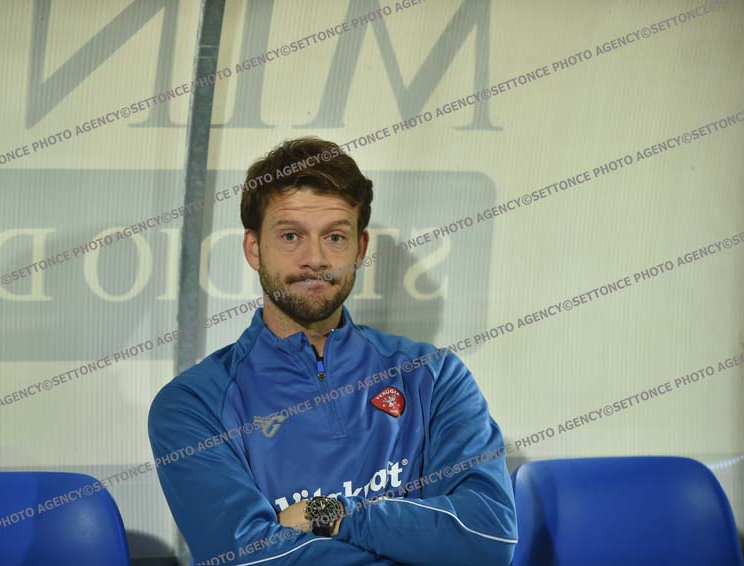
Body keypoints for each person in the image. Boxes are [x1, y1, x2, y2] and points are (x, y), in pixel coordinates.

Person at [148, 137, 517, 565]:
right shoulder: (192, 405)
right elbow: (249, 559)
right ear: (254, 248)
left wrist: (333, 514)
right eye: (291, 236)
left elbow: (488, 535)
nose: (316, 258)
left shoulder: (434, 375)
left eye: (335, 237)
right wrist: (421, 543)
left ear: (360, 248)